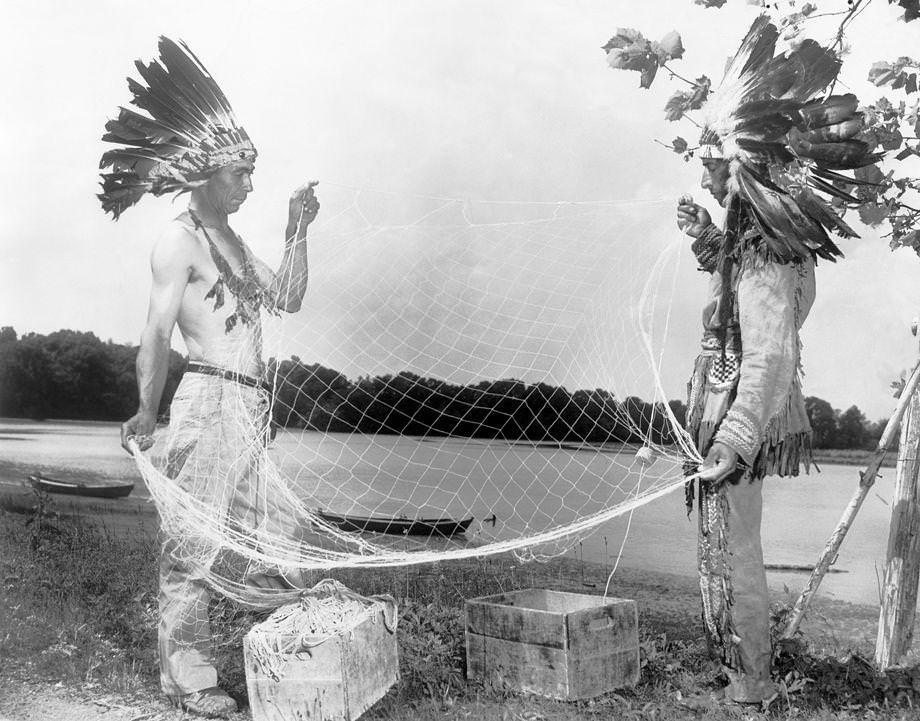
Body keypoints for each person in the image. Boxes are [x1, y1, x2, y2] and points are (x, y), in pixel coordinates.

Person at [101, 38, 318, 717]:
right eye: (241, 173)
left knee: (281, 535)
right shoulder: (180, 240)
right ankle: (188, 675)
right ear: (207, 171)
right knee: (192, 544)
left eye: (254, 173)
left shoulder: (233, 239)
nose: (250, 183)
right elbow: (155, 334)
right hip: (206, 398)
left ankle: (279, 656)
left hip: (251, 408)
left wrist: (296, 231)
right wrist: (146, 410)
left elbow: (287, 297)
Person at [673, 15, 880, 704]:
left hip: (743, 413)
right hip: (730, 402)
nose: (708, 176)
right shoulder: (760, 246)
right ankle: (739, 667)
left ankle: (753, 681)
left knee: (738, 551)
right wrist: (708, 238)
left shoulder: (768, 257)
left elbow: (769, 354)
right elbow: (733, 305)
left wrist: (734, 436)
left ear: (752, 171)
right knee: (728, 546)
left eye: (717, 168)